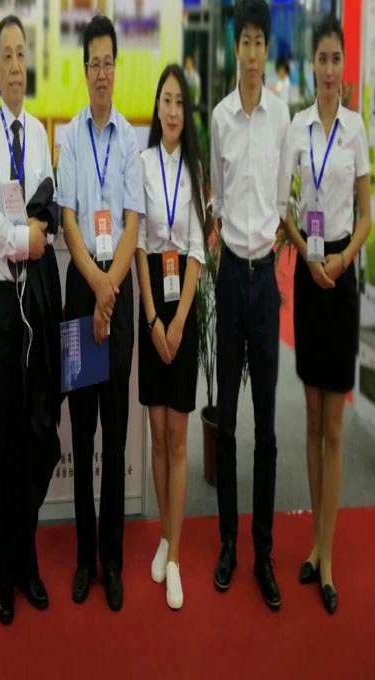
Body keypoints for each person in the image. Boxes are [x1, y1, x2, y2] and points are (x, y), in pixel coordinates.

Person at [57, 14, 144, 612]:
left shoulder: (130, 139)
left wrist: (112, 287)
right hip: (82, 286)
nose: (103, 73)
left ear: (117, 67)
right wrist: (95, 284)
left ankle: (112, 559)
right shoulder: (70, 136)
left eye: (110, 62)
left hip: (119, 283)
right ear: (84, 68)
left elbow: (133, 221)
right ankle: (85, 557)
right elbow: (67, 218)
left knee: (115, 433)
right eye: (95, 63)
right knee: (82, 428)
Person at [0, 15, 61, 626]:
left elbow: (47, 211)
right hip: (4, 307)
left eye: (21, 53)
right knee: (2, 437)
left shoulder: (38, 133)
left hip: (38, 303)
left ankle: (29, 560)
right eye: (5, 55)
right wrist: (25, 241)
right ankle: (2, 569)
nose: (14, 65)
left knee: (36, 433)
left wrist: (35, 233)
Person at [284, 16, 371, 614]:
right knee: (311, 418)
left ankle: (329, 554)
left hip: (340, 278)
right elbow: (285, 208)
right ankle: (314, 544)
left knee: (335, 426)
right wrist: (306, 253)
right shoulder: (297, 128)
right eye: (322, 58)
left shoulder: (356, 130)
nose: (330, 69)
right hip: (308, 275)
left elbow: (366, 214)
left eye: (337, 59)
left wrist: (341, 260)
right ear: (311, 64)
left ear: (344, 65)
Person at [210, 0, 290, 610]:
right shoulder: (219, 118)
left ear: (267, 48)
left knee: (266, 427)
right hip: (230, 277)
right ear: (235, 49)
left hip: (266, 283)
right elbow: (216, 193)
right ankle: (229, 544)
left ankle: (263, 551)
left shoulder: (283, 118)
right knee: (229, 422)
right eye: (245, 42)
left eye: (261, 42)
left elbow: (283, 199)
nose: (254, 52)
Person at [135, 64, 205, 610]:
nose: (173, 110)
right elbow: (138, 246)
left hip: (183, 300)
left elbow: (199, 249)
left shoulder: (194, 168)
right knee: (157, 435)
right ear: (157, 108)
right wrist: (153, 319)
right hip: (151, 300)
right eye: (166, 100)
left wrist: (178, 321)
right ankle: (164, 533)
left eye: (180, 101)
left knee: (179, 437)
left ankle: (176, 556)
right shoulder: (143, 164)